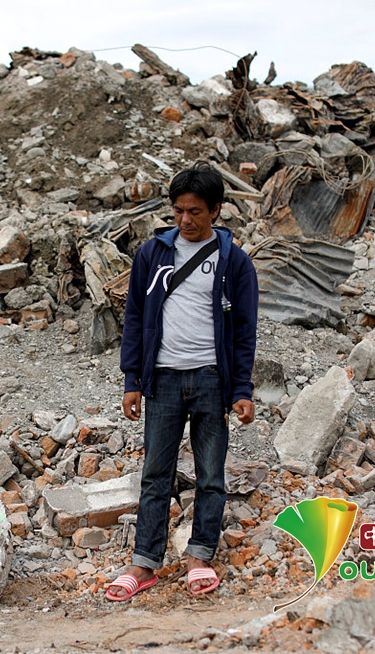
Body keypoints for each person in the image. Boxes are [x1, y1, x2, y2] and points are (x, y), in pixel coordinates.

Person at [106, 161, 258, 601]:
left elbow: (244, 331)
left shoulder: (234, 262)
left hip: (212, 380)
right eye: (178, 211)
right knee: (156, 474)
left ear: (215, 210)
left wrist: (242, 389)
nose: (186, 220)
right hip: (164, 380)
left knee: (211, 475)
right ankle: (144, 563)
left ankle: (199, 556)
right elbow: (135, 318)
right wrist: (132, 379)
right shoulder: (152, 255)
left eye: (195, 212)